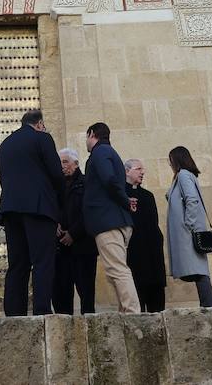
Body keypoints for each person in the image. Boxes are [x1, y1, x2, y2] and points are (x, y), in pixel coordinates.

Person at [0, 108, 64, 316]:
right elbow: (57, 175)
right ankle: (42, 310)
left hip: (10, 209)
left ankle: (14, 313)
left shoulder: (5, 144)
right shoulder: (42, 138)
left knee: (17, 263)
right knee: (42, 261)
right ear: (40, 124)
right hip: (39, 209)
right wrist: (59, 206)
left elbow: (2, 178)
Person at [83, 122, 139, 313]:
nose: (86, 142)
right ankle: (126, 312)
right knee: (115, 270)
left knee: (117, 269)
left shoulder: (100, 152)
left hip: (108, 222)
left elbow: (109, 179)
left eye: (86, 137)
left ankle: (132, 313)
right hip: (115, 220)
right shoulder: (109, 152)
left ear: (92, 134)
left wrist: (124, 200)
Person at [165, 147, 212, 307]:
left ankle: (209, 306)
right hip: (189, 231)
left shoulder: (184, 175)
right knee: (198, 270)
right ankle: (207, 305)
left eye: (170, 159)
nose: (169, 163)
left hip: (189, 232)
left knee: (199, 271)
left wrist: (189, 223)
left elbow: (191, 199)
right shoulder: (183, 176)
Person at [52, 148, 97, 315]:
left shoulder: (87, 183)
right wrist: (54, 224)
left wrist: (73, 233)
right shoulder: (55, 185)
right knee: (60, 294)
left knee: (86, 294)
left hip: (83, 247)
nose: (62, 166)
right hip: (60, 249)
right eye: (60, 163)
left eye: (65, 162)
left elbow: (89, 212)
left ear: (76, 164)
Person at [125, 158, 166, 312]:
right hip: (134, 252)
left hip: (152, 254)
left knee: (156, 300)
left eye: (142, 169)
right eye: (138, 168)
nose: (142, 172)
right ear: (127, 171)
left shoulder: (148, 196)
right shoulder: (121, 195)